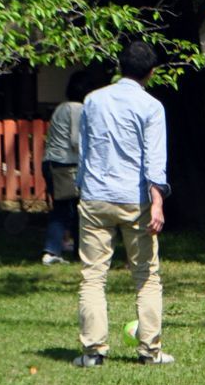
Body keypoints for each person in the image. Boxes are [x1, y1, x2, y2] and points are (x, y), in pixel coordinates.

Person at [72, 42, 171, 367]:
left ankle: (93, 352)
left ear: (119, 65)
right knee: (146, 276)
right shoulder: (151, 106)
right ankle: (149, 351)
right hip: (135, 200)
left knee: (93, 276)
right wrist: (157, 202)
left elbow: (84, 150)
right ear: (151, 72)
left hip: (95, 197)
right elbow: (154, 160)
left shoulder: (93, 100)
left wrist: (82, 188)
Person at [40, 70, 91, 265]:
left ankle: (71, 249)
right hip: (65, 165)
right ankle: (53, 251)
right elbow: (76, 141)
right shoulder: (77, 108)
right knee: (69, 209)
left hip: (52, 162)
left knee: (65, 207)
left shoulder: (61, 107)